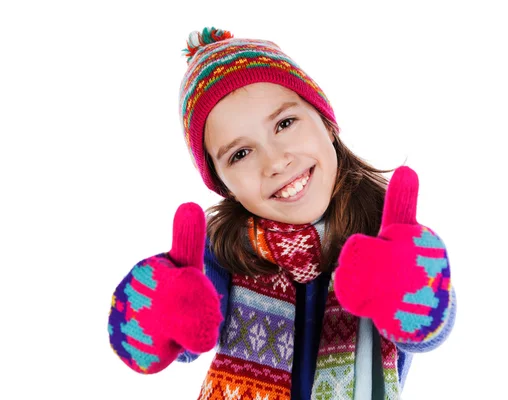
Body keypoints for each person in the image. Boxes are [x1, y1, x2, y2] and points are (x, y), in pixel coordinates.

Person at [108, 27, 456, 400]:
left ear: (326, 122)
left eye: (285, 124)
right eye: (240, 154)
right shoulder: (225, 251)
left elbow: (430, 330)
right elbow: (191, 332)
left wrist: (418, 297)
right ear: (225, 185)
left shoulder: (388, 238)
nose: (275, 161)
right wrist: (156, 316)